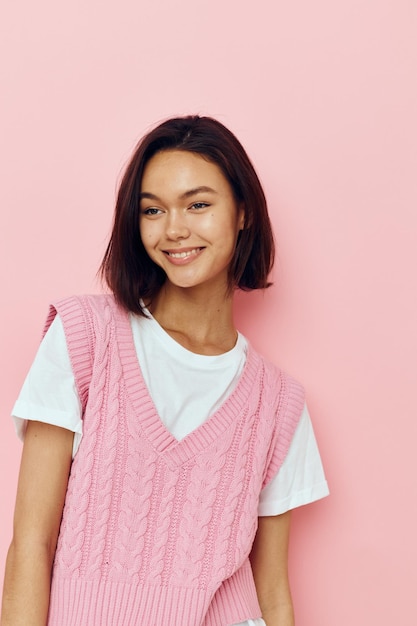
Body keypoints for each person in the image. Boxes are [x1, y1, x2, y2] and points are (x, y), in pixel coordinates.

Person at [1, 115, 329, 626]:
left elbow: (272, 591)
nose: (174, 229)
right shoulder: (85, 337)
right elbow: (31, 546)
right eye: (152, 210)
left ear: (242, 213)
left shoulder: (279, 401)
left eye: (198, 204)